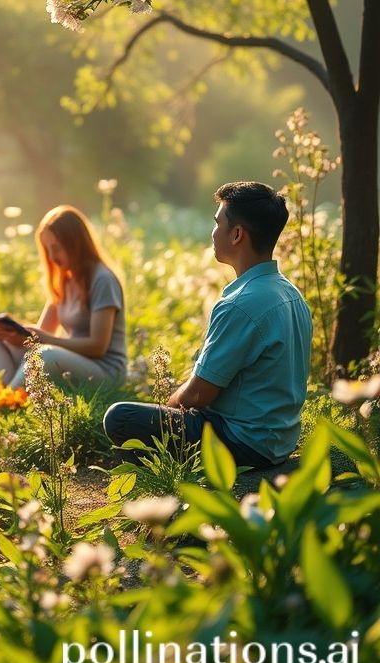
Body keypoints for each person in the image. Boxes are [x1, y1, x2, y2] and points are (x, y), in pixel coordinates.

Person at [103, 182, 312, 469]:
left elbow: (199, 394)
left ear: (237, 234)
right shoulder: (291, 294)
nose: (213, 232)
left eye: (218, 223)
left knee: (120, 417)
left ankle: (160, 484)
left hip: (242, 442)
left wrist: (166, 408)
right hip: (277, 440)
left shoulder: (242, 303)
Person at [0, 205, 127, 390]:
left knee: (45, 355)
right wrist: (13, 335)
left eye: (56, 248)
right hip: (69, 361)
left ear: (75, 244)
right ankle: (0, 403)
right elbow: (43, 333)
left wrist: (45, 340)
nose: (51, 256)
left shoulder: (103, 279)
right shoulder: (64, 280)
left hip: (105, 369)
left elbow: (98, 347)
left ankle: (8, 403)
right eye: (47, 249)